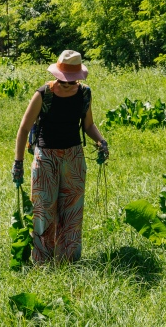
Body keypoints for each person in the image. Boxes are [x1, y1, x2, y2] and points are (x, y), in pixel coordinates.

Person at [12, 50, 109, 264]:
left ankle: (68, 261)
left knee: (72, 211)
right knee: (44, 210)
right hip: (46, 158)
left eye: (72, 81)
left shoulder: (84, 94)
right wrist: (17, 163)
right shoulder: (43, 94)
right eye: (63, 81)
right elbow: (23, 128)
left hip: (74, 157)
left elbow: (89, 125)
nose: (67, 85)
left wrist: (101, 141)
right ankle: (43, 263)